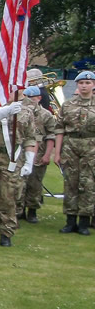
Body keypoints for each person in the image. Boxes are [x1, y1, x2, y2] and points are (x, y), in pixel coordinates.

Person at [0, 93, 36, 247]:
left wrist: (29, 161)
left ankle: (6, 233)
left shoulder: (26, 112)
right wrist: (5, 110)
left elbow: (30, 138)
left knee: (9, 197)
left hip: (12, 159)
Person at [54, 71, 95, 236]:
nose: (84, 86)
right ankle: (70, 221)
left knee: (88, 184)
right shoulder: (68, 105)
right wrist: (57, 153)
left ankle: (84, 222)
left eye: (88, 83)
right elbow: (59, 129)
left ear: (93, 85)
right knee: (70, 182)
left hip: (91, 146)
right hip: (70, 145)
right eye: (81, 83)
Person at [18, 86, 55, 224]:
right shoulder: (20, 112)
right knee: (19, 183)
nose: (28, 102)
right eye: (26, 98)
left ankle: (32, 211)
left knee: (35, 183)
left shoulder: (46, 115)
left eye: (32, 99)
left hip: (38, 153)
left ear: (39, 98)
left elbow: (51, 135)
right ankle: (19, 210)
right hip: (22, 152)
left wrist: (47, 155)